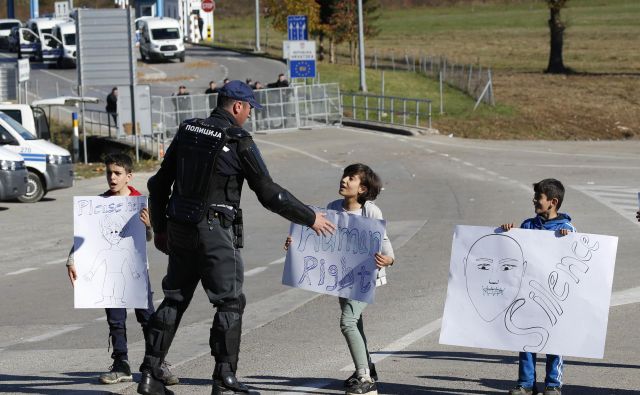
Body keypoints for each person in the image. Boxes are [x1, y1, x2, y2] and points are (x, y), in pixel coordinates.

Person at [137, 80, 336, 395]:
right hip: (214, 228)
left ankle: (149, 374)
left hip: (180, 227)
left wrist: (161, 228)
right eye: (249, 111)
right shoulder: (238, 139)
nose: (249, 117)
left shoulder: (188, 130)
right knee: (230, 301)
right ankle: (224, 379)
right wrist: (310, 218)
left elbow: (158, 184)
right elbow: (269, 192)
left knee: (175, 298)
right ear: (238, 106)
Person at [66, 153, 178, 387]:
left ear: (129, 176)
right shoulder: (99, 204)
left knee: (147, 317)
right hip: (109, 273)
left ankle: (157, 363)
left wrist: (149, 225)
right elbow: (85, 236)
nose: (112, 178)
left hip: (135, 271)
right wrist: (71, 259)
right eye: (109, 173)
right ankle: (121, 364)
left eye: (117, 173)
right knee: (115, 320)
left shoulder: (140, 201)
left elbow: (150, 237)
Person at [285, 163, 395, 395]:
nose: (344, 180)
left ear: (363, 189)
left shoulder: (371, 211)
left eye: (351, 178)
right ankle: (366, 368)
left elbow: (384, 243)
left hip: (365, 276)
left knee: (348, 321)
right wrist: (296, 244)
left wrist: (389, 259)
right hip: (342, 276)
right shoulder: (333, 208)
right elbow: (321, 240)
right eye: (345, 176)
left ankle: (366, 379)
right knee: (357, 322)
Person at [500, 178, 575, 395]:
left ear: (553, 201)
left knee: (555, 340)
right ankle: (525, 383)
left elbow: (576, 259)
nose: (534, 200)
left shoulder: (567, 228)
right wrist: (508, 233)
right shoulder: (527, 225)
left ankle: (553, 384)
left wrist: (568, 240)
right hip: (529, 295)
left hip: (554, 297)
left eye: (539, 197)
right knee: (526, 339)